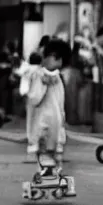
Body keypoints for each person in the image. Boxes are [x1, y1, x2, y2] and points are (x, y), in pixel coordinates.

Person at [19, 39, 70, 168]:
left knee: (50, 165)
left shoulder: (51, 77)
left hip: (49, 130)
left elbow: (58, 105)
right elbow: (36, 99)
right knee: (49, 164)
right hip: (47, 131)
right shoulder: (45, 76)